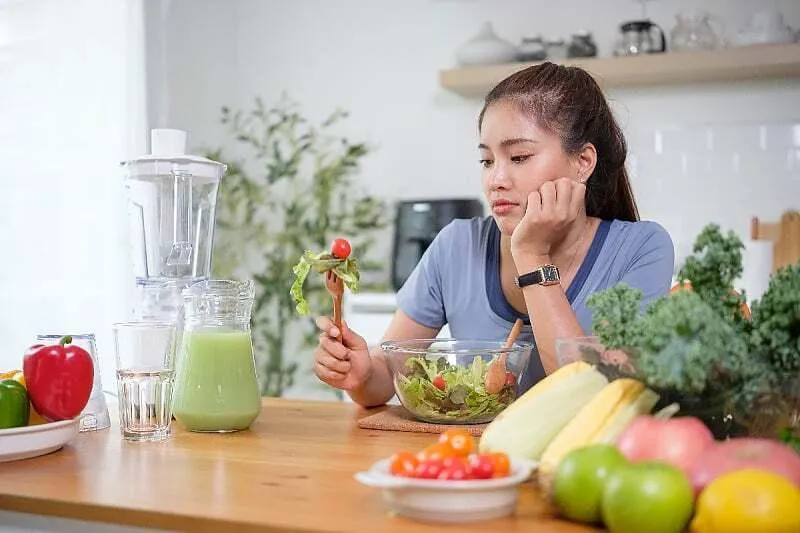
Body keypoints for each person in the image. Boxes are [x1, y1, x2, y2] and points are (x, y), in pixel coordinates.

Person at [313, 62, 674, 407]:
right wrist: (360, 374)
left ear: (583, 162)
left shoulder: (642, 250)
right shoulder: (456, 245)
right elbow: (385, 378)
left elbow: (591, 397)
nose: (496, 180)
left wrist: (532, 255)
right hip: (479, 464)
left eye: (518, 157)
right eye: (487, 161)